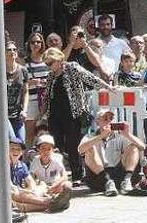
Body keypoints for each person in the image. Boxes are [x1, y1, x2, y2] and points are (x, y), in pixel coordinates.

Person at [40, 47, 114, 183]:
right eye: (47, 64)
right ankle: (64, 171)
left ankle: (77, 175)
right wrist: (43, 114)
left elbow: (90, 78)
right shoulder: (51, 75)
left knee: (73, 144)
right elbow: (48, 97)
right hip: (55, 115)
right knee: (56, 143)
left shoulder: (72, 67)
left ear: (58, 59)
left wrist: (108, 87)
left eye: (50, 63)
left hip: (72, 113)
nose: (49, 66)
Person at [8, 137, 71, 213]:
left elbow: (31, 182)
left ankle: (54, 202)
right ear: (38, 150)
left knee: (66, 185)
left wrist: (33, 189)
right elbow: (12, 187)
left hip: (51, 187)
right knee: (20, 201)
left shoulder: (22, 165)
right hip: (13, 194)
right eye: (12, 149)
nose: (46, 151)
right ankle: (53, 203)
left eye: (18, 149)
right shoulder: (5, 166)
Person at [3, 42, 30, 141]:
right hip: (4, 115)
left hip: (18, 115)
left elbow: (26, 92)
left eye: (14, 49)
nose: (12, 51)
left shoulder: (23, 70)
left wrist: (25, 110)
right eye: (9, 49)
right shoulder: (0, 70)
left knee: (21, 142)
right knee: (13, 140)